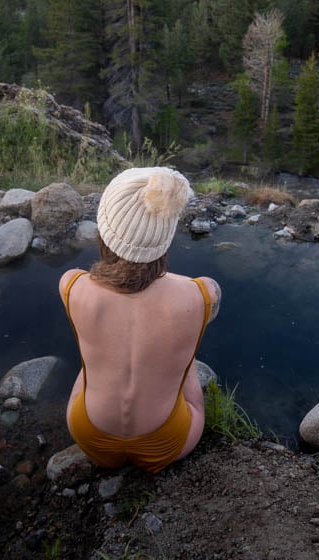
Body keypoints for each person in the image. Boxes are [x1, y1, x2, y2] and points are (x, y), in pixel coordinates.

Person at [59, 166, 221, 473]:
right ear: (164, 235)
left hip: (88, 434)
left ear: (105, 231)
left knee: (89, 357)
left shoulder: (71, 285)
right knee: (186, 361)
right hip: (167, 442)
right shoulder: (203, 294)